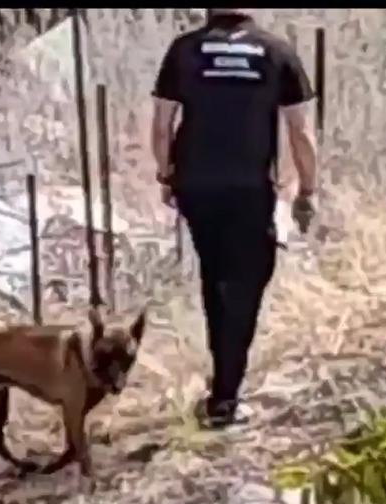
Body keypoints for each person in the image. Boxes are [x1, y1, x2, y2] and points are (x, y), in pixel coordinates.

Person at [150, 8, 319, 429]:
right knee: (247, 281)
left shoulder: (184, 49)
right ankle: (226, 394)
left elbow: (161, 125)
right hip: (250, 188)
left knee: (217, 275)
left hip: (197, 185)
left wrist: (166, 175)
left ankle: (223, 382)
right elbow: (301, 132)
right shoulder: (277, 52)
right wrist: (308, 190)